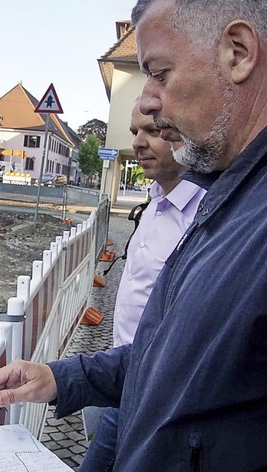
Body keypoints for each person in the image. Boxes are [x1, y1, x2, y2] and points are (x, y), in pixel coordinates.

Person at [0, 0, 267, 470]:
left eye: (159, 73)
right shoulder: (241, 186)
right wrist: (64, 378)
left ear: (239, 52)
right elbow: (178, 357)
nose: (149, 101)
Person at [79, 101, 206, 472]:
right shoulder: (153, 201)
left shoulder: (206, 214)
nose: (138, 143)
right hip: (125, 386)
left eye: (151, 131)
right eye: (135, 132)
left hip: (165, 402)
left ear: (181, 135)